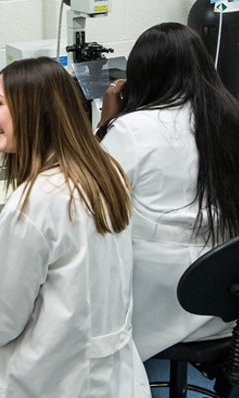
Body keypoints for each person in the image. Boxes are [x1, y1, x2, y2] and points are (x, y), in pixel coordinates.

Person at [0, 57, 151, 397]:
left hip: (47, 377)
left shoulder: (37, 201)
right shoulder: (105, 171)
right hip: (102, 368)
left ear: (34, 111)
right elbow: (29, 258)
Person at [96, 22, 239, 361]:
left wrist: (106, 122)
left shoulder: (131, 129)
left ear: (141, 76)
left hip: (162, 302)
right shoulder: (230, 116)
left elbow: (84, 194)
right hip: (223, 301)